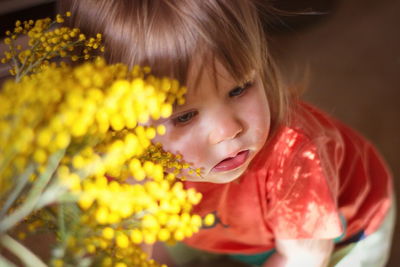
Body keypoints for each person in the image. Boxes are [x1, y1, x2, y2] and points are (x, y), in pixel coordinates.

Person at [60, 0, 395, 266]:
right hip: (236, 227)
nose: (227, 131)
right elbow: (141, 243)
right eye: (185, 116)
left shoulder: (295, 155)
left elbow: (304, 258)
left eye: (240, 89)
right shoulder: (129, 155)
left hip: (340, 232)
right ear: (119, 122)